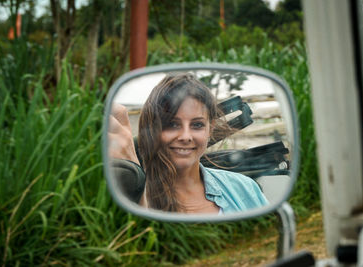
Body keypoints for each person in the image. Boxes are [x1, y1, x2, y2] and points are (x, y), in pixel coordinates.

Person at [109, 73, 268, 214]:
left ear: (210, 128)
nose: (186, 136)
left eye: (197, 125)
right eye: (172, 124)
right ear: (153, 129)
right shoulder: (130, 194)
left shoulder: (244, 188)